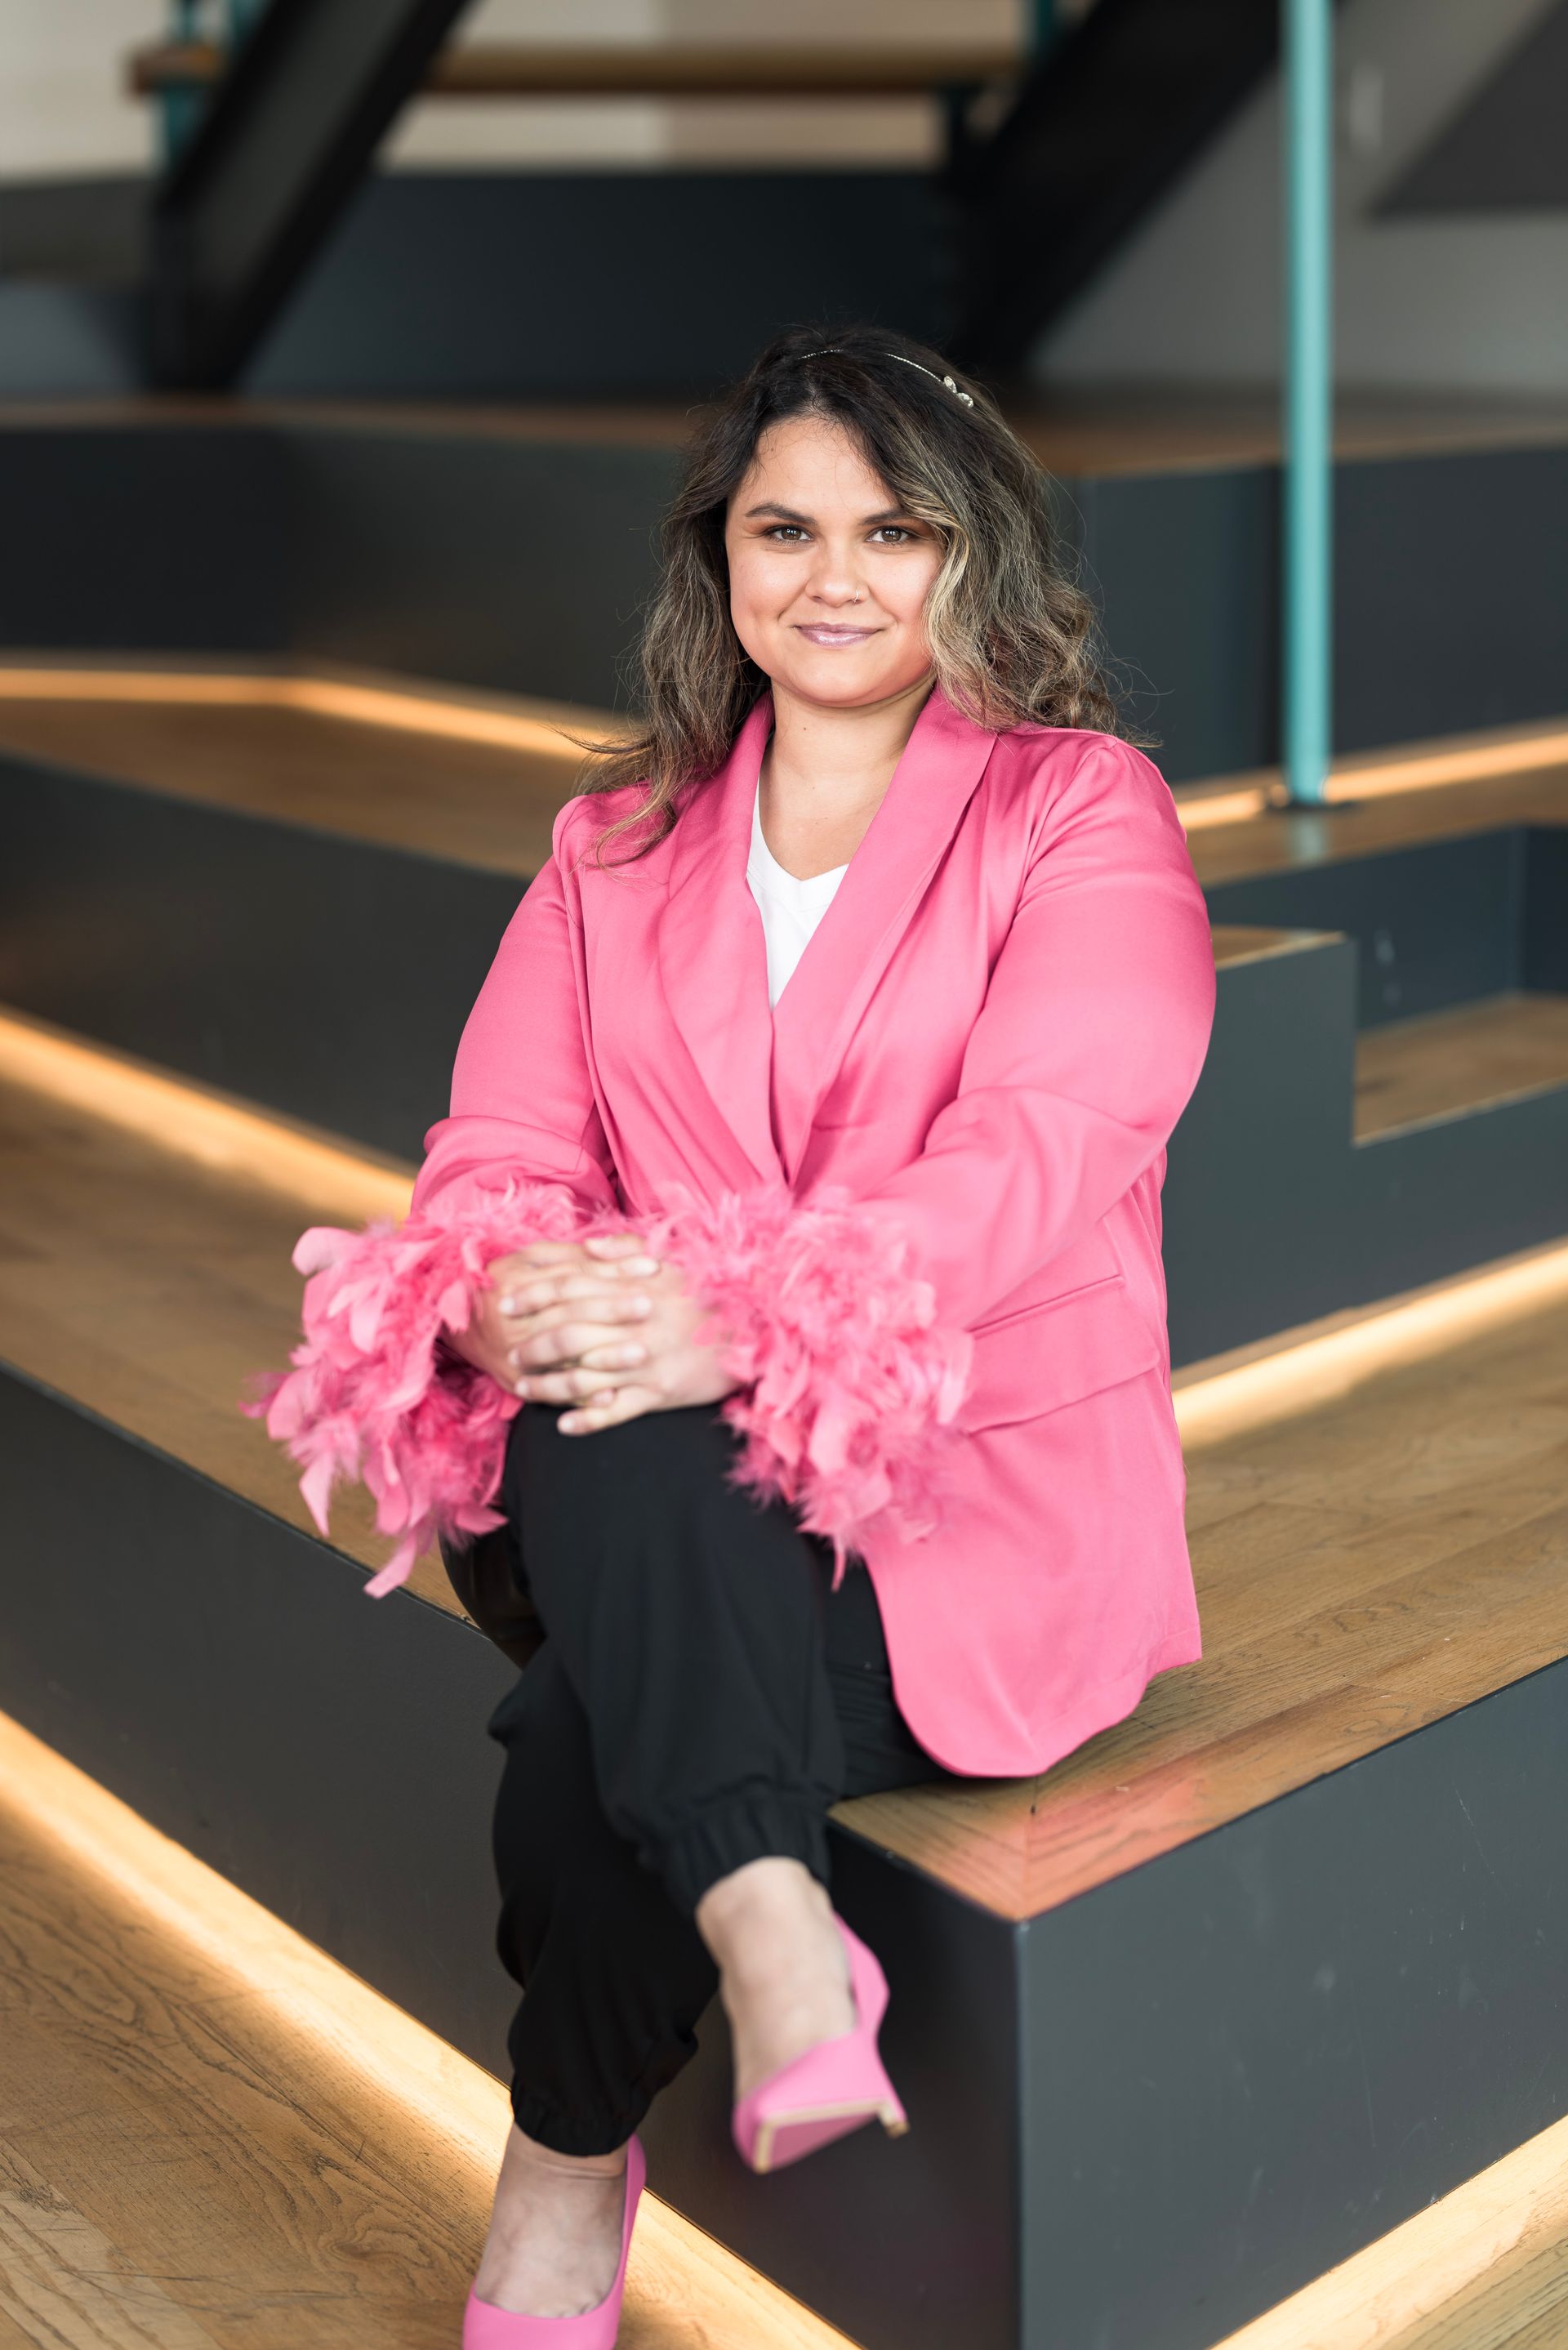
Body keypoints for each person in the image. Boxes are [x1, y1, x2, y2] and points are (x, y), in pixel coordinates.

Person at [247, 323, 1218, 2345]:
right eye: (786, 526)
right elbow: (498, 1150)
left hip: (967, 1507)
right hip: (655, 1470)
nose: (836, 574)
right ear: (722, 561)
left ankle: (565, 2162)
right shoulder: (610, 853)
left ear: (977, 559)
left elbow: (1053, 1146)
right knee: (605, 1382)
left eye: (897, 527)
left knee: (581, 1723)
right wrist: (503, 1283)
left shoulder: (1079, 812)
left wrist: (731, 1307)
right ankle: (774, 1926)